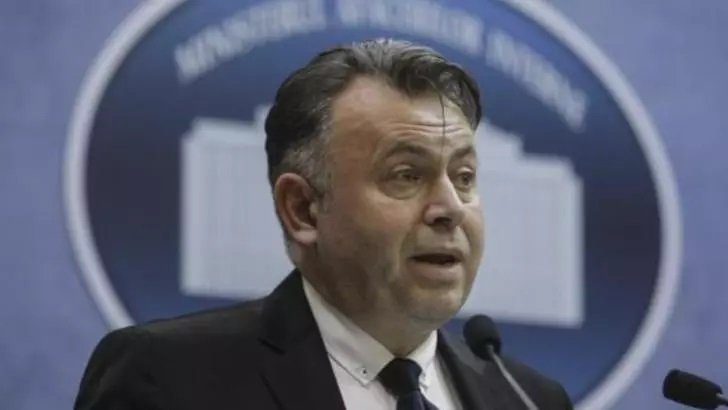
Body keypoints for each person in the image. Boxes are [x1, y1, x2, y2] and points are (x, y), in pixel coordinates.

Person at [75, 38, 573, 410]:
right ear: (302, 209)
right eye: (406, 175)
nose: (450, 208)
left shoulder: (530, 400)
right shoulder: (171, 380)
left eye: (464, 177)